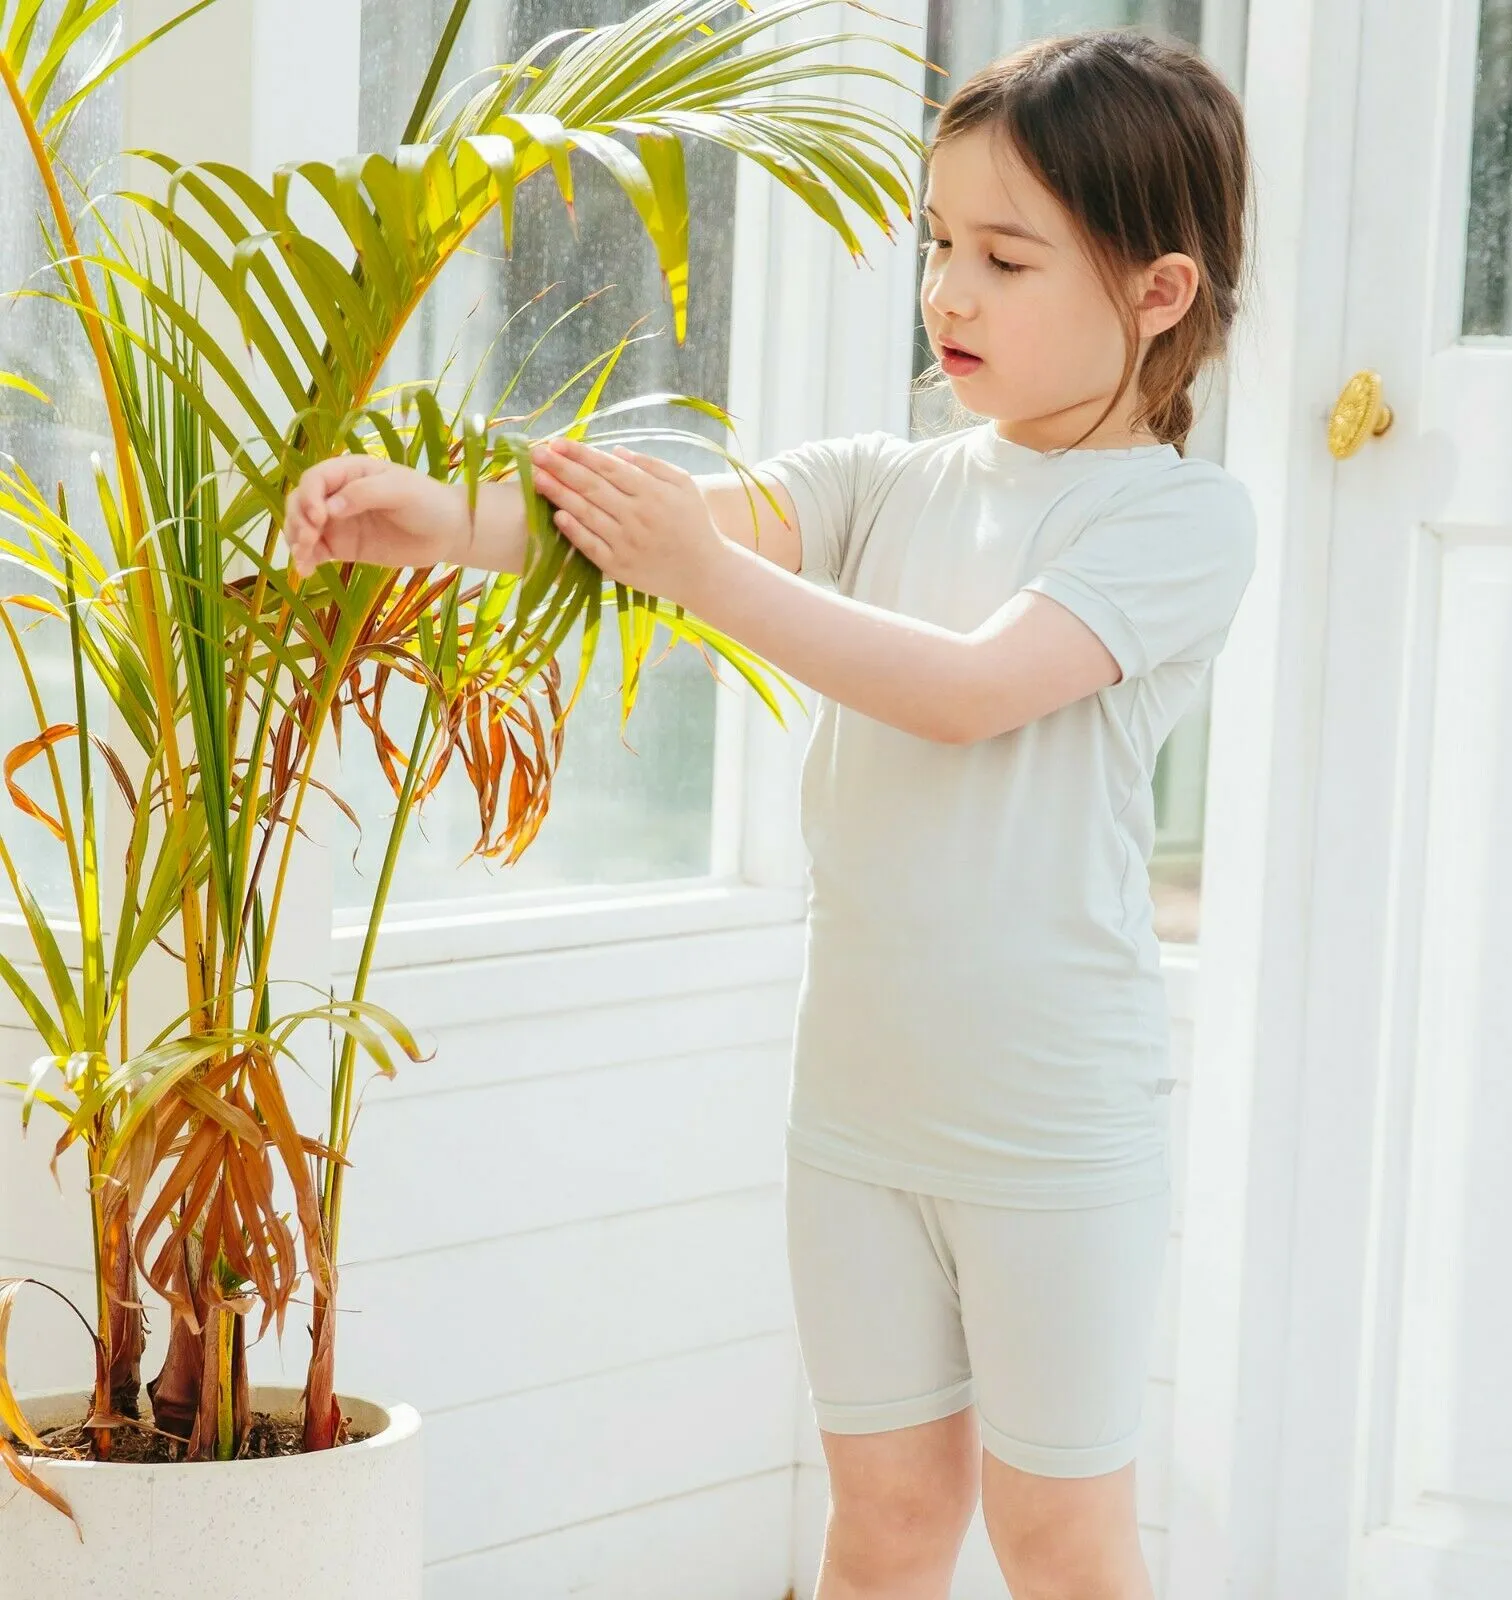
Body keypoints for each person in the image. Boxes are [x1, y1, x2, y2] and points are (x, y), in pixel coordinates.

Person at [285, 28, 1255, 1600]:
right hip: (858, 1112)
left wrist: (707, 574)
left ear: (1159, 293)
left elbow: (964, 687)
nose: (948, 293)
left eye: (1007, 259)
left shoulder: (1184, 520)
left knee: (1060, 1540)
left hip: (1050, 1127)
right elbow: (635, 531)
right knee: (879, 1524)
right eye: (941, 245)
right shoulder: (888, 476)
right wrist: (426, 520)